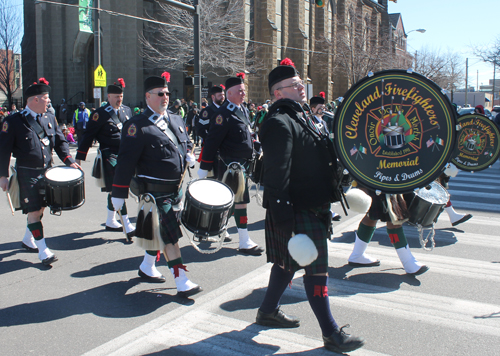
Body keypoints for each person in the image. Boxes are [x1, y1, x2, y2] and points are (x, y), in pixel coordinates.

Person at [257, 58, 364, 354]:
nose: (301, 87)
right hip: (296, 209)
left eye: (300, 82)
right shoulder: (279, 122)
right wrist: (284, 221)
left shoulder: (306, 117)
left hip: (314, 205)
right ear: (278, 93)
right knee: (317, 271)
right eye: (294, 85)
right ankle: (331, 333)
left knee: (286, 264)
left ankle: (267, 311)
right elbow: (277, 176)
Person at [111, 72, 201, 297]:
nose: (165, 97)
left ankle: (147, 265)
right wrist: (118, 192)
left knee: (158, 231)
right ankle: (181, 279)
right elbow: (125, 161)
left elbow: (185, 142)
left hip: (176, 188)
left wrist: (188, 153)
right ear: (148, 96)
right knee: (171, 236)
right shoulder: (136, 125)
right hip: (155, 192)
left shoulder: (176, 119)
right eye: (160, 94)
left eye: (168, 93)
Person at [0, 78, 81, 265]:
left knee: (41, 207)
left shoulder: (49, 118)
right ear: (34, 99)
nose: (49, 102)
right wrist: (3, 176)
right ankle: (43, 250)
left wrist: (69, 160)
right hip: (27, 172)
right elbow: (3, 150)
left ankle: (29, 238)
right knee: (35, 210)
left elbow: (60, 141)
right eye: (46, 98)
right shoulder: (13, 122)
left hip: (47, 171)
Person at [197, 73, 264, 256]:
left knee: (234, 203)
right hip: (230, 167)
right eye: (240, 91)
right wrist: (204, 168)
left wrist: (257, 147)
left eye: (244, 90)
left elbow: (246, 135)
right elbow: (212, 142)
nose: (243, 93)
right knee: (239, 202)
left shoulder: (242, 110)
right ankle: (243, 240)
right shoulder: (223, 114)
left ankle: (218, 229)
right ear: (229, 93)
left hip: (242, 165)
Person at [75, 78, 135, 238]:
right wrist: (80, 156)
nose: (119, 99)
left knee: (114, 189)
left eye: (121, 96)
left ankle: (110, 219)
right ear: (108, 96)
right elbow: (88, 136)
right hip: (109, 154)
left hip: (125, 154)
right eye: (116, 96)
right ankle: (127, 224)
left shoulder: (127, 111)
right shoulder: (99, 114)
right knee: (119, 186)